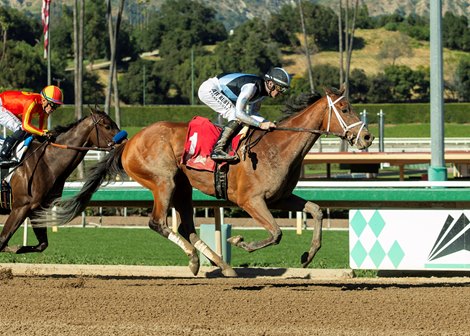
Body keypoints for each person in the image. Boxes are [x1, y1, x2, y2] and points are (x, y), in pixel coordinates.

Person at [198, 67, 290, 162]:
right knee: (233, 113)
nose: (281, 93)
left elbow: (252, 114)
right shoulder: (251, 87)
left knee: (239, 116)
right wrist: (261, 125)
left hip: (217, 89)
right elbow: (239, 113)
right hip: (209, 89)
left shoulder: (261, 92)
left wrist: (268, 123)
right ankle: (217, 150)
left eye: (284, 90)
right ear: (270, 84)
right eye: (280, 88)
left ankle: (227, 146)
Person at [0, 85, 64, 166]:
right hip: (1, 104)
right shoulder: (32, 102)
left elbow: (43, 130)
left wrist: (46, 135)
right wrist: (42, 133)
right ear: (44, 100)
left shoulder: (45, 109)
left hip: (9, 107)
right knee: (21, 129)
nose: (53, 109)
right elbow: (26, 126)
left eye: (57, 106)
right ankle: (2, 155)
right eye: (53, 105)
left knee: (26, 133)